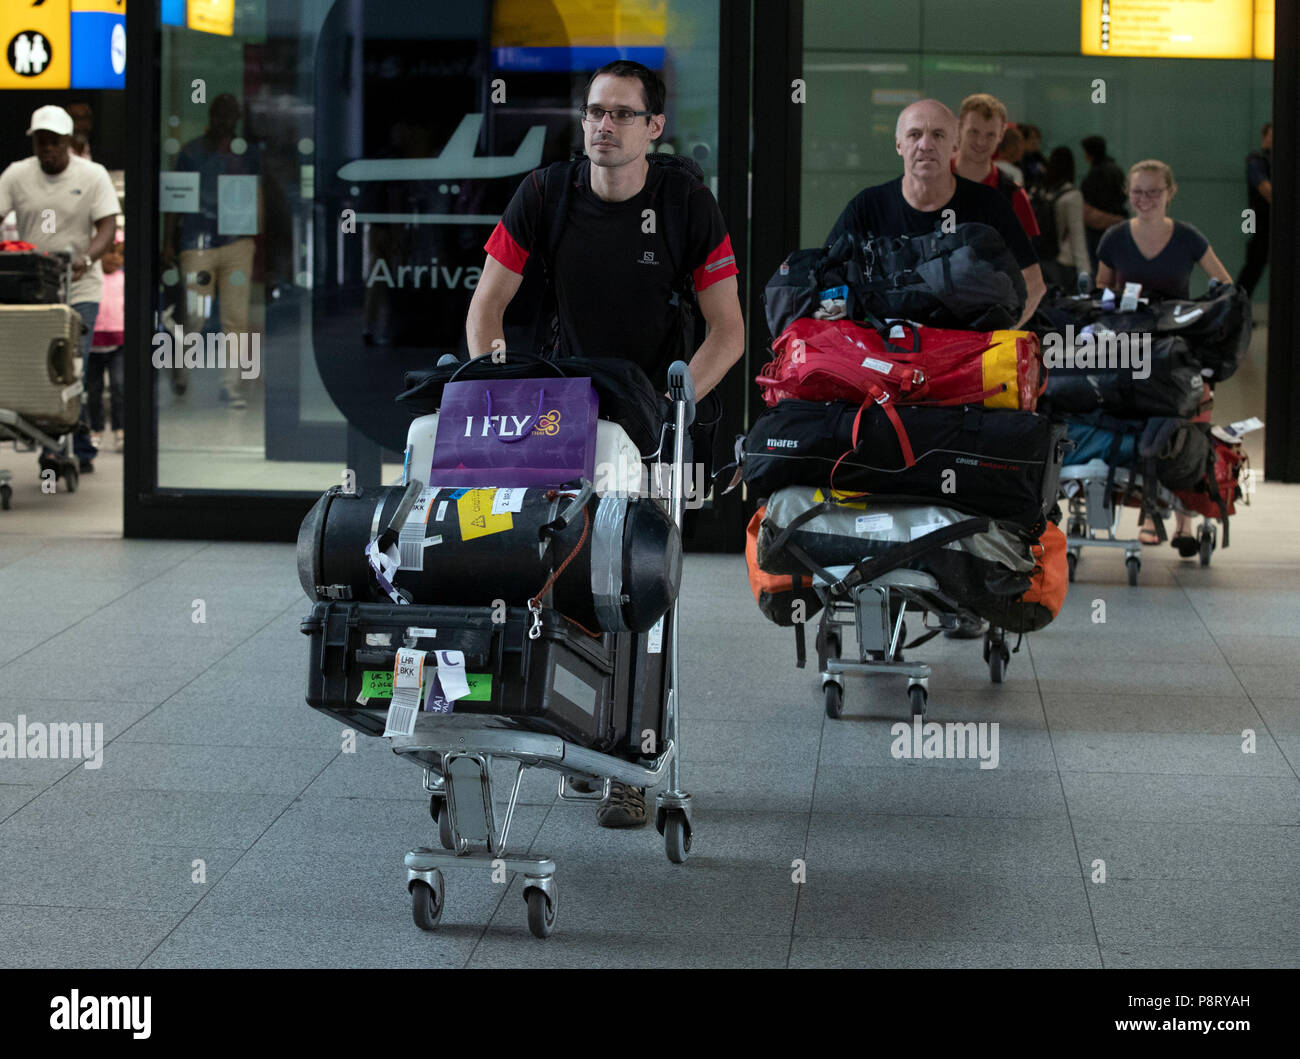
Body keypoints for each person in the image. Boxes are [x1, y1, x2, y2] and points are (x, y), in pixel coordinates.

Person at [466, 60, 745, 828]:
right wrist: (494, 380)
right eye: (594, 111)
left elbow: (729, 331)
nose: (603, 125)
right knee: (557, 573)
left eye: (623, 113)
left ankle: (632, 755)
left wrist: (677, 401)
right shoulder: (546, 193)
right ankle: (575, 724)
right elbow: (487, 305)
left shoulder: (685, 201)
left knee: (636, 589)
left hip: (653, 424)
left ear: (654, 128)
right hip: (565, 413)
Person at [826, 98, 1045, 640]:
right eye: (915, 134)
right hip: (883, 374)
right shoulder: (866, 208)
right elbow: (828, 288)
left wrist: (990, 345)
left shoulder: (989, 207)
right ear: (899, 144)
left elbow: (1033, 285)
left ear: (954, 145)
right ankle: (875, 573)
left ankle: (965, 585)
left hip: (964, 374)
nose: (925, 145)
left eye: (937, 136)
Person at [1095, 159, 1232, 556]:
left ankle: (1185, 518)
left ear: (1171, 192)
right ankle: (1150, 511)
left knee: (1187, 418)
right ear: (1128, 194)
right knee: (1137, 421)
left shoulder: (1188, 237)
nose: (1145, 199)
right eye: (1138, 192)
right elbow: (1098, 294)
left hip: (1177, 347)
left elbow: (1223, 285)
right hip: (1131, 344)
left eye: (1154, 191)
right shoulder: (1115, 238)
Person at [0, 105, 118, 473]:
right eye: (40, 142)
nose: (47, 149)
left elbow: (107, 226)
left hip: (78, 286)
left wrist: (87, 257)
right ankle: (48, 440)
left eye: (54, 142)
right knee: (34, 368)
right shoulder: (16, 175)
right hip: (32, 289)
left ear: (68, 143)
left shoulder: (92, 175)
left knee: (72, 366)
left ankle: (72, 444)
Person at [162, 94, 262, 410]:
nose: (225, 122)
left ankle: (231, 386)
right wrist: (169, 241)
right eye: (221, 115)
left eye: (231, 116)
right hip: (198, 241)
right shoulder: (192, 152)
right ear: (212, 115)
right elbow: (176, 199)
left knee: (236, 318)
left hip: (236, 241)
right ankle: (180, 366)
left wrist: (256, 231)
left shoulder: (244, 153)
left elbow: (257, 191)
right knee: (195, 313)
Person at [952, 93, 1039, 240]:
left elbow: (1025, 259)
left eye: (990, 135)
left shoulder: (1014, 195)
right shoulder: (929, 181)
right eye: (974, 132)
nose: (980, 142)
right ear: (959, 127)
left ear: (1001, 135)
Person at [87, 231, 125, 452]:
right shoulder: (92, 279)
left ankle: (120, 430)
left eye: (120, 254)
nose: (115, 258)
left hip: (118, 343)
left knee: (119, 387)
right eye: (110, 252)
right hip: (94, 343)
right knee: (93, 391)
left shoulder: (123, 279)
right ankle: (96, 429)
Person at [1035, 146, 1090, 291]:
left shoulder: (1042, 191)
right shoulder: (1072, 195)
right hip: (1065, 262)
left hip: (1042, 259)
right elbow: (1077, 235)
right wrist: (1085, 272)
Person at [1079, 135, 1127, 273]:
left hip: (1098, 226)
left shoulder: (1096, 173)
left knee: (1100, 267)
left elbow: (1091, 198)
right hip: (1115, 222)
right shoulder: (1114, 169)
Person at [1236, 122, 1272, 299]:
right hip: (1252, 216)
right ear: (1265, 136)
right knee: (1254, 261)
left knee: (1255, 261)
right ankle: (1235, 309)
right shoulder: (1256, 159)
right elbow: (1265, 189)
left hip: (1259, 217)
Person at [1019, 124, 1047, 190]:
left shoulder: (1041, 159)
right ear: (1023, 140)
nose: (1035, 141)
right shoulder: (1019, 159)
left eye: (1037, 138)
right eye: (1032, 138)